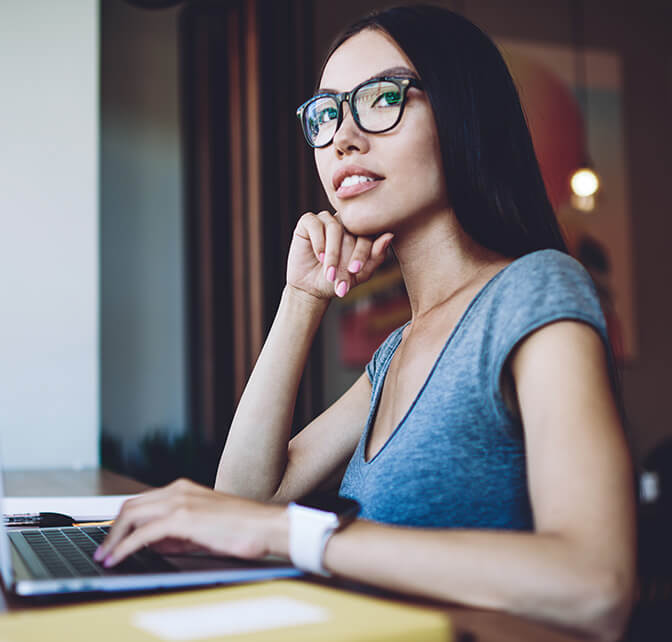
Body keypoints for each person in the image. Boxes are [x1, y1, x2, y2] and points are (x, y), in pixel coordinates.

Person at [94, 6, 635, 640]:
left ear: (462, 110)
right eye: (326, 114)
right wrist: (302, 297)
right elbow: (245, 498)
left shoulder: (533, 289)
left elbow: (595, 584)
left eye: (381, 98)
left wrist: (297, 535)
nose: (345, 138)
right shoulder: (397, 351)